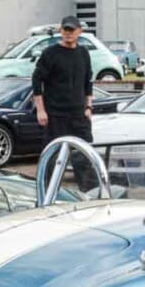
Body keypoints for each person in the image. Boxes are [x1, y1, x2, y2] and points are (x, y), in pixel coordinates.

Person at [32, 15, 96, 190]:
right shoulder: (50, 53)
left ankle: (90, 195)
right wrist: (41, 110)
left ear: (79, 32)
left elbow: (88, 81)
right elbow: (36, 81)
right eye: (65, 29)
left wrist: (89, 107)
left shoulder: (83, 53)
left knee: (84, 158)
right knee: (52, 158)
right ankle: (46, 194)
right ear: (60, 31)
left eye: (72, 30)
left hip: (79, 116)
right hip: (55, 116)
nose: (68, 33)